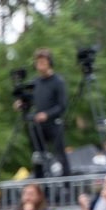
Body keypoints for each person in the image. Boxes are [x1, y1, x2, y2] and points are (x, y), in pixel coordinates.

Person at [14, 48, 69, 178]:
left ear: (49, 62)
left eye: (43, 61)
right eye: (38, 62)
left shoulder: (58, 81)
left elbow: (62, 106)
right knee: (37, 157)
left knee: (60, 156)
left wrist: (47, 114)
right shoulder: (34, 82)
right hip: (37, 126)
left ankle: (67, 185)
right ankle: (40, 186)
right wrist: (20, 104)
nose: (40, 64)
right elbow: (28, 101)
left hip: (54, 124)